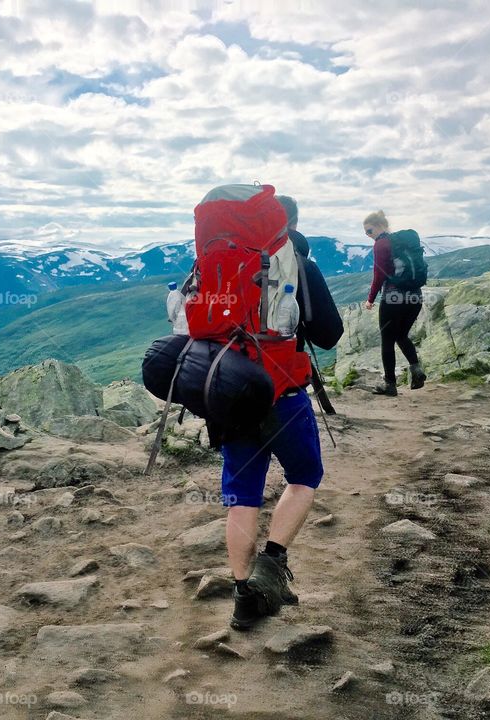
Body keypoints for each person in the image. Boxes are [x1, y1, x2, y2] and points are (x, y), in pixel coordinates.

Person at [219, 197, 344, 631]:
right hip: (281, 393)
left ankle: (242, 597)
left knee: (241, 494)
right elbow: (329, 334)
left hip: (229, 395)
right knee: (304, 476)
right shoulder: (297, 265)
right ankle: (272, 564)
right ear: (290, 223)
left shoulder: (216, 263)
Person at [363, 210, 425, 396]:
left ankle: (390, 384)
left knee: (387, 340)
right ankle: (416, 370)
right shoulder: (404, 243)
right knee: (401, 335)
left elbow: (379, 274)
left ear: (380, 226)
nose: (368, 235)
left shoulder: (381, 244)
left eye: (369, 230)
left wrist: (370, 299)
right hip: (415, 296)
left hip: (393, 297)